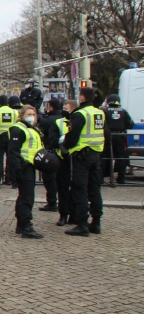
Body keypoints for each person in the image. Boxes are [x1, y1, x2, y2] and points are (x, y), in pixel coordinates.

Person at [63, 87, 105, 237]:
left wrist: (65, 144)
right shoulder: (99, 113)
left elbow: (72, 137)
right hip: (95, 154)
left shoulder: (80, 114)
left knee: (80, 188)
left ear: (81, 98)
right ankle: (96, 222)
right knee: (94, 188)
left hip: (82, 155)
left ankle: (82, 224)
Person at [8, 104, 45, 239]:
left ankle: (21, 224)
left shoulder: (33, 129)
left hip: (30, 165)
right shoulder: (18, 129)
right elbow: (13, 152)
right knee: (27, 197)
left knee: (24, 196)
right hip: (23, 166)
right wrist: (16, 169)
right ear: (22, 116)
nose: (31, 117)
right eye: (28, 114)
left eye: (33, 114)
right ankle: (26, 226)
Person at [48, 99, 77, 226]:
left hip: (78, 158)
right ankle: (63, 214)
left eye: (68, 107)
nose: (65, 109)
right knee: (63, 188)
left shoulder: (79, 120)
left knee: (77, 188)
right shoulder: (58, 123)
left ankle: (75, 214)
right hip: (63, 158)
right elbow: (53, 140)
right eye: (64, 107)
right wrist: (63, 146)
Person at [37, 99, 64, 211]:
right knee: (62, 178)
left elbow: (40, 132)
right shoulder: (65, 119)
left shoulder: (47, 120)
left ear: (51, 107)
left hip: (50, 152)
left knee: (49, 178)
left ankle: (52, 202)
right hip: (64, 152)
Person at [103, 94, 134, 184]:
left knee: (105, 157)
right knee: (120, 157)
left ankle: (101, 178)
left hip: (107, 136)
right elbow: (130, 124)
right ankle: (121, 179)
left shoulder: (105, 111)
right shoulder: (123, 111)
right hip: (119, 136)